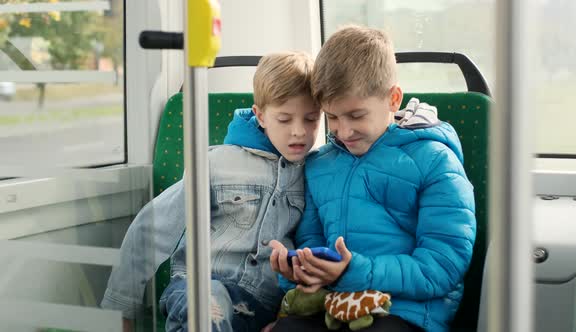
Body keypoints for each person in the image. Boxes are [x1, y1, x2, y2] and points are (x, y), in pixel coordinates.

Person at [269, 26, 476, 332]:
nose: (344, 131)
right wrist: (302, 267)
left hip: (404, 311)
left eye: (356, 115)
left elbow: (442, 267)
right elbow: (313, 240)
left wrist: (352, 271)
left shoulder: (434, 162)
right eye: (333, 117)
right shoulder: (319, 165)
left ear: (393, 99)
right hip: (334, 307)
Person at [101, 51, 322, 332]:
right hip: (200, 287)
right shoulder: (216, 164)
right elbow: (152, 228)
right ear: (261, 115)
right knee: (209, 309)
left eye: (311, 119)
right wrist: (121, 307)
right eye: (285, 119)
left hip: (262, 304)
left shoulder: (314, 174)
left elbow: (313, 246)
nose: (299, 132)